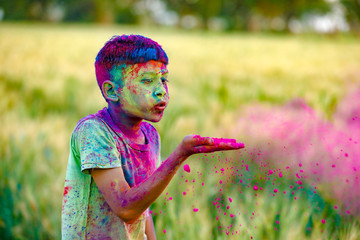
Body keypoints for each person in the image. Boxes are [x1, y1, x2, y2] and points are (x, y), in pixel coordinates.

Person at [61, 34, 244, 240]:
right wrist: (181, 154)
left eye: (163, 79)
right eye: (147, 81)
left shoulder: (150, 135)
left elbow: (142, 207)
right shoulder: (94, 132)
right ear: (112, 91)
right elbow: (126, 209)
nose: (161, 91)